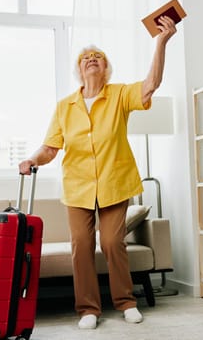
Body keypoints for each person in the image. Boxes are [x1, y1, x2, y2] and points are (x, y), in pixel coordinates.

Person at [19, 16, 177, 329]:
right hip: (78, 186)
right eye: (86, 58)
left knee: (112, 242)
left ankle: (125, 301)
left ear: (105, 69)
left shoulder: (118, 95)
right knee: (80, 244)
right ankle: (88, 308)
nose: (92, 60)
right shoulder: (66, 106)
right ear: (79, 70)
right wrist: (32, 160)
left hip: (114, 182)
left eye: (98, 57)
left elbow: (150, 86)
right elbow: (50, 147)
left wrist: (161, 42)